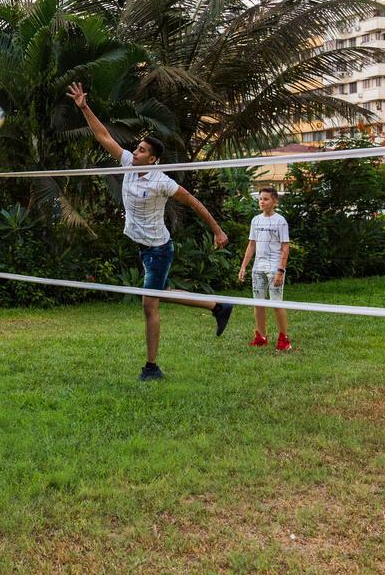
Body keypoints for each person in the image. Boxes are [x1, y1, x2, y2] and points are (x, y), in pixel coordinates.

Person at [67, 82, 233, 381]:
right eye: (137, 147)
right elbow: (102, 135)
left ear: (153, 158)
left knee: (149, 302)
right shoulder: (128, 163)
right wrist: (84, 107)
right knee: (161, 294)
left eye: (142, 150)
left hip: (158, 249)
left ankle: (151, 367)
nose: (135, 150)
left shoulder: (161, 181)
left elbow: (193, 201)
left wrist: (218, 231)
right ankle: (217, 306)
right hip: (144, 247)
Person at [238, 187, 292, 351]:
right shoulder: (256, 220)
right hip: (258, 268)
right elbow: (251, 244)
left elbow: (285, 247)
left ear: (274, 201)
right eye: (260, 198)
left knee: (276, 304)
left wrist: (281, 270)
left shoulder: (280, 221)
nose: (262, 201)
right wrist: (243, 266)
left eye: (266, 199)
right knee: (258, 304)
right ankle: (261, 337)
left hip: (274, 267)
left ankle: (284, 340)